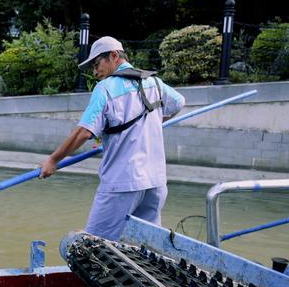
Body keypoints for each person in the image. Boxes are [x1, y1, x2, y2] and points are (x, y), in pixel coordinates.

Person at [39, 36, 185, 241]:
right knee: (145, 246)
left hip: (122, 182)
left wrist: (53, 160)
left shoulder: (106, 88)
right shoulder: (154, 82)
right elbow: (179, 103)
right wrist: (150, 124)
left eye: (97, 64)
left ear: (114, 56)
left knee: (95, 246)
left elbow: (84, 132)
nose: (95, 72)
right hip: (155, 182)